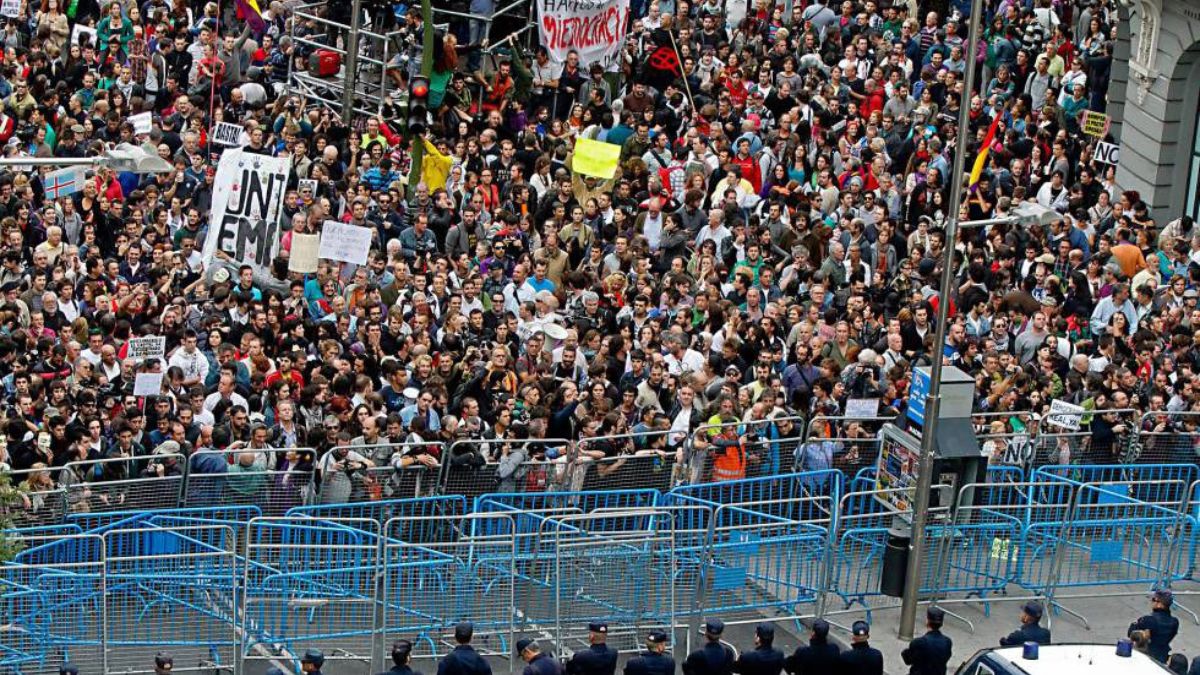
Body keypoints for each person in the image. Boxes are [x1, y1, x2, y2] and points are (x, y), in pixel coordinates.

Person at [1129, 589, 1179, 663]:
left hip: (1146, 655)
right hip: (1163, 655)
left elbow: (1131, 633)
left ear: (1160, 604)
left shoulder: (1148, 620)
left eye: (1153, 599)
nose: (1151, 602)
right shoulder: (1175, 622)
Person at [901, 608, 952, 675]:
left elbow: (908, 661)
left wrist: (905, 652)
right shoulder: (947, 642)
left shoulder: (918, 643)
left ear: (927, 621)